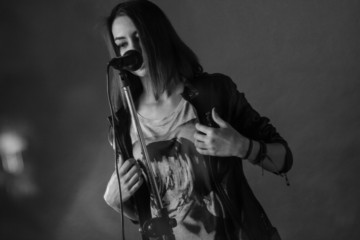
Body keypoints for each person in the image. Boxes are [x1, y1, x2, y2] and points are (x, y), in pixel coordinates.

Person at [103, 0, 293, 239]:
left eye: (139, 37)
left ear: (158, 35)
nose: (132, 50)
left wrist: (242, 146)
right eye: (122, 44)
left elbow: (283, 159)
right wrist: (116, 202)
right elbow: (148, 216)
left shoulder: (215, 93)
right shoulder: (122, 126)